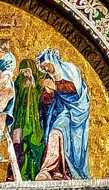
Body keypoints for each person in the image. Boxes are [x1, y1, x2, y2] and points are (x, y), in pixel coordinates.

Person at [34, 49, 90, 180]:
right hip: (62, 112)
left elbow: (76, 90)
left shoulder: (70, 69)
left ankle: (67, 172)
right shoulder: (49, 78)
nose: (47, 68)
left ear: (54, 60)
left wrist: (55, 86)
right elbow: (48, 101)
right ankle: (50, 170)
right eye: (43, 67)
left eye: (48, 64)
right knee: (55, 133)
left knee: (75, 148)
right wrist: (47, 94)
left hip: (77, 112)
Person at [12, 59, 45, 180]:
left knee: (33, 147)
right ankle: (19, 175)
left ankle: (34, 174)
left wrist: (34, 83)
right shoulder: (19, 83)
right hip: (19, 120)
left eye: (27, 71)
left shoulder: (39, 82)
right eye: (22, 72)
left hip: (35, 122)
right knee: (19, 146)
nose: (25, 74)